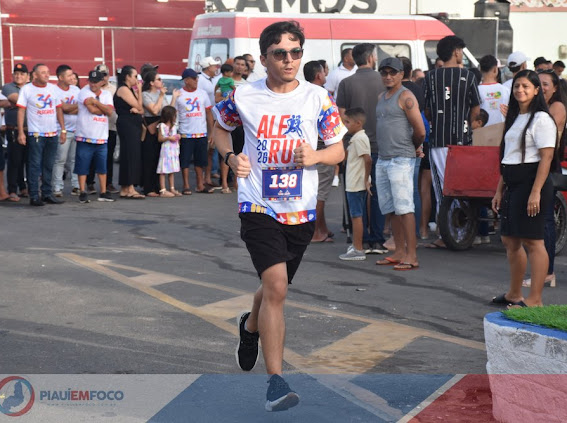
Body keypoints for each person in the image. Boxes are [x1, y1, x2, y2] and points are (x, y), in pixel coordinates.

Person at [213, 20, 345, 411]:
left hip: (300, 208)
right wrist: (230, 157)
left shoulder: (318, 97)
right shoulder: (243, 95)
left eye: (295, 52)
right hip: (258, 203)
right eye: (280, 53)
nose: (289, 60)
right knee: (277, 287)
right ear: (264, 57)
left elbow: (338, 149)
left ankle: (250, 325)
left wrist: (316, 155)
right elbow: (219, 128)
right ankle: (276, 383)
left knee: (276, 285)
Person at [491, 70, 558, 308]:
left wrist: (536, 191)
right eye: (517, 86)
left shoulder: (542, 119)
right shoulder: (515, 117)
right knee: (510, 240)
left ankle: (535, 299)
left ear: (536, 90)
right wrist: (499, 190)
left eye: (526, 86)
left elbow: (546, 157)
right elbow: (508, 156)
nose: (520, 90)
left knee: (533, 241)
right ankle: (514, 294)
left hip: (532, 184)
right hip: (512, 183)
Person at [423, 36, 481, 249]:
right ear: (456, 51)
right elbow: (476, 109)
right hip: (463, 143)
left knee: (443, 190)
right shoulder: (468, 76)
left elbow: (427, 111)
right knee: (463, 188)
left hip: (439, 141)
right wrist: (467, 124)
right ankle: (464, 232)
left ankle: (445, 234)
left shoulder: (430, 77)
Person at [374, 57, 425, 270]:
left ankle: (411, 256)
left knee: (405, 208)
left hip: (401, 159)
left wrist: (413, 148)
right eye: (384, 72)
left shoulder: (406, 96)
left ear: (401, 74)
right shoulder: (381, 96)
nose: (388, 76)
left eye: (392, 72)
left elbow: (420, 131)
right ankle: (399, 251)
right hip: (383, 158)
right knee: (391, 208)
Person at [336, 43, 388, 254]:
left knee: (356, 194)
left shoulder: (346, 83)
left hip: (354, 146)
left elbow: (342, 117)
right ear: (371, 58)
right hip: (380, 145)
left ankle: (360, 239)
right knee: (377, 193)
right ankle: (377, 239)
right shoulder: (383, 81)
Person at [521, 69, 567, 289]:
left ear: (555, 88)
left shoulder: (556, 107)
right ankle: (545, 271)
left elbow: (547, 141)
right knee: (539, 221)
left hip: (547, 167)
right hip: (533, 167)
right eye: (538, 83)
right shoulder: (536, 108)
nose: (542, 87)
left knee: (545, 221)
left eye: (546, 84)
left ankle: (547, 273)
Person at [17, 63, 66, 206]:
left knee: (49, 165)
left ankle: (47, 194)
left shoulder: (53, 89)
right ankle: (34, 195)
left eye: (48, 72)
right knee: (34, 165)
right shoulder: (27, 89)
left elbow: (58, 109)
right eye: (43, 72)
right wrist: (21, 132)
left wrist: (63, 130)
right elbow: (21, 111)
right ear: (35, 75)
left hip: (52, 133)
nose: (47, 75)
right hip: (36, 134)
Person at [303, 60, 334, 243]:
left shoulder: (303, 92)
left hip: (311, 149)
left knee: (317, 192)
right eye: (324, 72)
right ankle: (315, 232)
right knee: (320, 194)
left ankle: (322, 228)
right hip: (322, 149)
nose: (325, 75)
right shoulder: (322, 95)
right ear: (318, 75)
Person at [74, 70, 115, 204]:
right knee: (83, 166)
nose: (93, 84)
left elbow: (109, 111)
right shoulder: (84, 92)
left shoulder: (107, 94)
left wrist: (96, 103)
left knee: (102, 167)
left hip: (101, 136)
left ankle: (103, 191)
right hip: (85, 135)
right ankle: (82, 191)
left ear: (102, 82)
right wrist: (102, 108)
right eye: (91, 81)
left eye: (96, 82)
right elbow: (91, 110)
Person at [171, 68, 214, 194]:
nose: (196, 80)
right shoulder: (179, 94)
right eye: (194, 78)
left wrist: (211, 132)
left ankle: (200, 185)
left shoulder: (202, 93)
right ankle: (186, 185)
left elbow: (208, 113)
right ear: (186, 80)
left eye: (197, 78)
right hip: (186, 133)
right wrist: (174, 131)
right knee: (185, 160)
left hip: (201, 132)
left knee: (200, 160)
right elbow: (173, 113)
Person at [339, 108, 371, 260]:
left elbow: (368, 159)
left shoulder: (359, 139)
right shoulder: (355, 138)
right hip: (354, 182)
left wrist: (366, 179)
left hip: (356, 184)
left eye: (347, 122)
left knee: (356, 216)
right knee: (356, 215)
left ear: (358, 123)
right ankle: (356, 245)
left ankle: (358, 249)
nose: (345, 125)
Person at [114, 65, 145, 199]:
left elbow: (141, 109)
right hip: (127, 125)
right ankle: (130, 187)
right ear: (127, 77)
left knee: (130, 154)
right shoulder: (123, 89)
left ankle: (125, 188)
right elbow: (138, 105)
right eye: (135, 76)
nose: (137, 79)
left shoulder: (130, 90)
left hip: (132, 124)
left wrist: (137, 98)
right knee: (130, 154)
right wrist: (140, 90)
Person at [52, 64, 80, 197]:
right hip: (61, 130)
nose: (71, 77)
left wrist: (68, 108)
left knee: (75, 160)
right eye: (68, 75)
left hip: (77, 130)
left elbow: (81, 107)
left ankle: (76, 186)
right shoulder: (54, 90)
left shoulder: (76, 89)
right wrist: (70, 107)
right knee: (60, 160)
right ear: (60, 77)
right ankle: (57, 187)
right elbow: (63, 108)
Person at [3, 63, 29, 200]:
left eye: (22, 74)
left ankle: (24, 188)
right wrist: (33, 104)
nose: (18, 76)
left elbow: (18, 103)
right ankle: (12, 190)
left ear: (28, 76)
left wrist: (16, 105)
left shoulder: (31, 88)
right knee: (14, 161)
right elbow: (16, 99)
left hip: (30, 130)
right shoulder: (8, 87)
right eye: (16, 73)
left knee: (28, 161)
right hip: (14, 129)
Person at [141, 70, 166, 197]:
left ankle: (158, 186)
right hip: (150, 125)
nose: (161, 81)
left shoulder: (161, 94)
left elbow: (167, 110)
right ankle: (148, 187)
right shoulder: (145, 95)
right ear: (151, 82)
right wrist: (161, 96)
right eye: (158, 79)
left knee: (159, 157)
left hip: (161, 126)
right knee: (149, 157)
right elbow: (155, 110)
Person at [96, 64, 119, 194]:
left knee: (108, 156)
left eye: (105, 75)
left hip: (110, 127)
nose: (103, 77)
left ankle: (108, 183)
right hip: (95, 127)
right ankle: (90, 183)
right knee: (93, 157)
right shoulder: (91, 89)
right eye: (101, 75)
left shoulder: (114, 89)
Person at [156, 105, 181, 197]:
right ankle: (163, 190)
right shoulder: (162, 126)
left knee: (171, 170)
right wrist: (168, 138)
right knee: (163, 170)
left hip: (173, 150)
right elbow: (160, 138)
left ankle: (172, 188)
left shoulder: (174, 126)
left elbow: (176, 135)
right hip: (166, 150)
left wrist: (178, 137)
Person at [478, 55, 510, 126]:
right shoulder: (505, 90)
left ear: (480, 70)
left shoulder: (476, 90)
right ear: (495, 70)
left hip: (481, 130)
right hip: (501, 130)